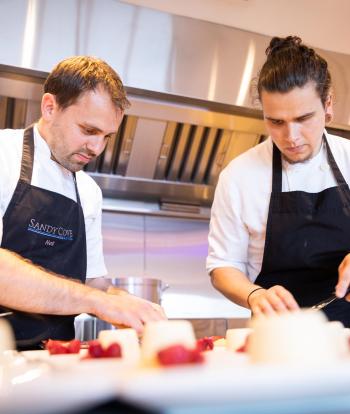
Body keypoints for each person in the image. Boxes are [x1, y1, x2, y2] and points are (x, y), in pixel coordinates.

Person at [0, 56, 166, 348]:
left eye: (107, 137)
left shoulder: (88, 191)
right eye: (89, 131)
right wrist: (97, 302)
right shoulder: (4, 156)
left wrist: (125, 303)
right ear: (50, 107)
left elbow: (93, 283)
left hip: (56, 359)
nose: (97, 148)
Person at [207, 36, 350, 327]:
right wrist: (255, 295)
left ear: (328, 104)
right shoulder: (239, 176)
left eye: (304, 118)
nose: (291, 137)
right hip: (277, 337)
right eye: (276, 122)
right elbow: (223, 265)